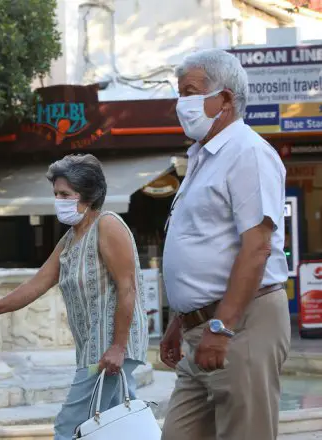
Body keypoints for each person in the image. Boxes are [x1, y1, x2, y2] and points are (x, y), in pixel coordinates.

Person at [0, 154, 148, 439]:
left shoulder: (107, 226)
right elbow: (36, 284)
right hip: (94, 348)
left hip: (108, 348)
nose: (58, 200)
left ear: (88, 196)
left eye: (65, 194)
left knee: (68, 427)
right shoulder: (71, 238)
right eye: (56, 194)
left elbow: (128, 287)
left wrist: (118, 346)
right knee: (118, 426)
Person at [160, 49, 289, 440]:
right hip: (203, 328)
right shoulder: (203, 157)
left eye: (191, 92)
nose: (181, 104)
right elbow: (204, 243)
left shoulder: (247, 153)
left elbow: (256, 248)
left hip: (241, 324)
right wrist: (180, 319)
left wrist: (221, 325)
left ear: (227, 99)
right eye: (179, 93)